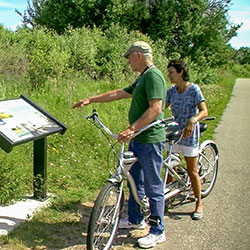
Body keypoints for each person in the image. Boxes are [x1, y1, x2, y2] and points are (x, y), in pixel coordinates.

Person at [73, 41, 167, 248]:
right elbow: (119, 93)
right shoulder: (143, 77)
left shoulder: (153, 76)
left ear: (139, 55)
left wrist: (132, 128)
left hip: (150, 140)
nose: (128, 61)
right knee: (135, 180)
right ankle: (135, 219)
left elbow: (156, 108)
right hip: (138, 139)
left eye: (129, 57)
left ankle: (158, 230)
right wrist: (90, 100)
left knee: (153, 185)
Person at [165, 58, 208, 220]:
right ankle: (169, 196)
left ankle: (198, 203)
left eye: (171, 72)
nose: (168, 75)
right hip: (175, 133)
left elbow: (204, 111)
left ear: (180, 72)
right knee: (170, 167)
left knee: (192, 171)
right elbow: (162, 108)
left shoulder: (194, 89)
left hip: (190, 134)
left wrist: (193, 120)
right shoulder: (171, 91)